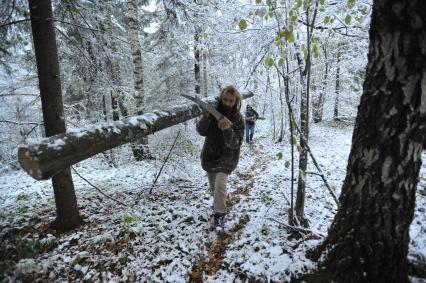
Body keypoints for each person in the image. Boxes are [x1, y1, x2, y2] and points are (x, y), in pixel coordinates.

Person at [196, 85, 245, 228]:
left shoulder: (238, 118)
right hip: (210, 156)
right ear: (221, 97)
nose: (228, 103)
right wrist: (205, 117)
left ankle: (220, 215)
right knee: (214, 188)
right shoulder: (212, 111)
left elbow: (237, 142)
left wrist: (227, 130)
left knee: (220, 184)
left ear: (235, 101)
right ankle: (221, 201)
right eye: (225, 99)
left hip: (227, 158)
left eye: (231, 101)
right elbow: (201, 131)